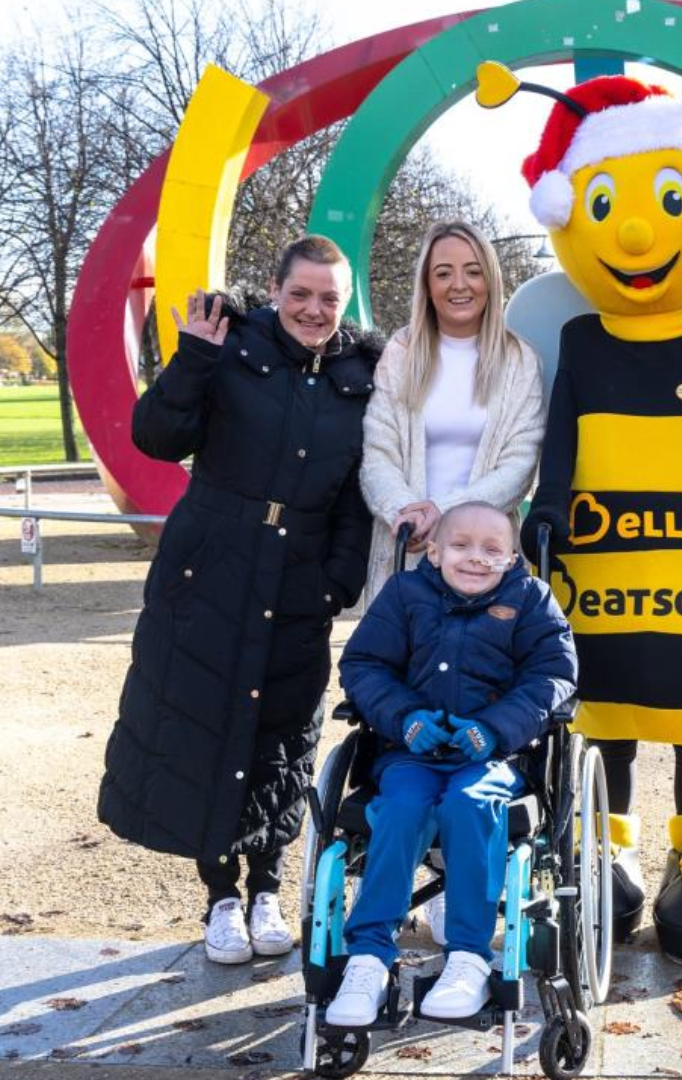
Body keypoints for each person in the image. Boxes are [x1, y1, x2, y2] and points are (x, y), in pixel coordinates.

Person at [97, 235, 381, 966]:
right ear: (276, 290)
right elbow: (156, 436)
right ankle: (221, 895)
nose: (313, 310)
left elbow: (356, 493)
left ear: (344, 300)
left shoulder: (363, 372)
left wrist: (337, 581)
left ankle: (268, 888)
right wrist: (191, 358)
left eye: (328, 297)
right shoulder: (226, 344)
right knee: (205, 726)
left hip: (299, 579)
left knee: (283, 735)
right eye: (300, 294)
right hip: (211, 572)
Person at [328, 502, 576, 1025]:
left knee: (470, 804)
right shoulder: (404, 595)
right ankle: (369, 957)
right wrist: (405, 718)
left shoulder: (530, 599)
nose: (476, 559)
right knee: (399, 809)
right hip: (409, 752)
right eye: (461, 546)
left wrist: (493, 728)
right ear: (434, 550)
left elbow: (552, 676)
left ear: (512, 558)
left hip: (494, 755)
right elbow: (364, 665)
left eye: (492, 549)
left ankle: (469, 956)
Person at [358, 221, 545, 610]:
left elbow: (520, 463)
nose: (459, 284)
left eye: (473, 271)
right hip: (407, 553)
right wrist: (404, 512)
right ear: (427, 284)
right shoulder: (401, 352)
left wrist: (444, 514)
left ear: (490, 280)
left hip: (485, 560)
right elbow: (378, 452)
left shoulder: (519, 360)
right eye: (443, 273)